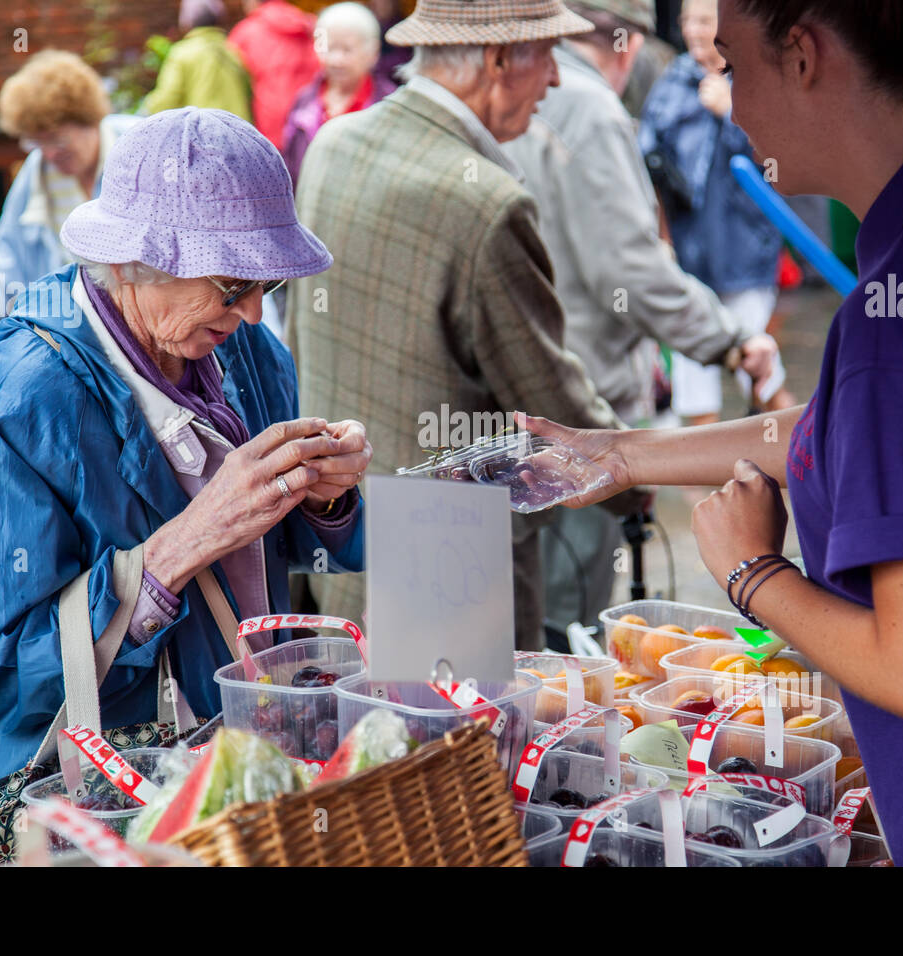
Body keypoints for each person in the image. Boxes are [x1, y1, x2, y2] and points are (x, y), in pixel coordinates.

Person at [517, 0, 903, 866]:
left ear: (801, 54)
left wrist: (753, 575)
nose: (728, 98)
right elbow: (877, 425)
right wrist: (621, 454)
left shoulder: (899, 321)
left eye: (730, 62)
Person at [0, 109, 370, 816]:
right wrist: (179, 548)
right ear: (134, 266)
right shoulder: (16, 404)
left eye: (269, 286)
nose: (256, 314)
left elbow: (284, 557)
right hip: (97, 802)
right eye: (233, 286)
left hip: (233, 762)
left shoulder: (243, 350)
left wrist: (324, 496)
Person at [286, 0, 634, 650]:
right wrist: (634, 472)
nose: (556, 80)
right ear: (500, 60)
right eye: (550, 55)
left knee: (367, 743)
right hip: (450, 563)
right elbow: (546, 396)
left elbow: (302, 339)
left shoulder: (335, 143)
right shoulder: (486, 202)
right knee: (472, 747)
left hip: (342, 531)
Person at [502, 0, 779, 629]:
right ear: (628, 47)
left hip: (523, 397)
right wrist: (728, 338)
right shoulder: (590, 104)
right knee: (573, 615)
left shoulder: (532, 93)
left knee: (537, 611)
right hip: (582, 391)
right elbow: (627, 271)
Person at [640, 0, 796, 427]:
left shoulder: (758, 77)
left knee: (760, 372)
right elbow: (647, 161)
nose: (693, 31)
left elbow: (785, 156)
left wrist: (730, 111)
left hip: (746, 252)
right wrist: (661, 239)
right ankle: (703, 487)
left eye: (705, 21)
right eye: (688, 21)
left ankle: (808, 464)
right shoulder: (672, 83)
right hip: (692, 256)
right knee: (693, 381)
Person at [0, 50, 138, 318]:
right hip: (67, 324)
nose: (48, 154)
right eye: (36, 142)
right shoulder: (38, 170)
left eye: (57, 140)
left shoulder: (136, 148)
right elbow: (10, 250)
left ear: (89, 119)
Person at [282, 2, 397, 187]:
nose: (336, 60)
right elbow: (289, 167)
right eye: (330, 48)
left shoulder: (390, 105)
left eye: (347, 50)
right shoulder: (304, 100)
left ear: (373, 52)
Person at [142, 0, 254, 122]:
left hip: (204, 131)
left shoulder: (183, 53)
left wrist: (146, 107)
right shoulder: (233, 51)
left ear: (186, 23)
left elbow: (167, 100)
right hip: (238, 130)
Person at [230, 0, 321, 149]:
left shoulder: (246, 31)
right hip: (306, 121)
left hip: (267, 125)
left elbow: (232, 80)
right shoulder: (307, 25)